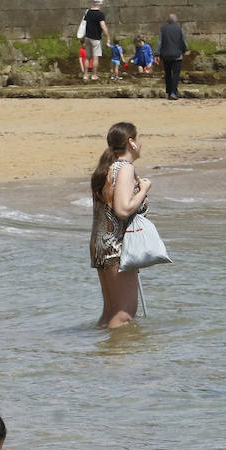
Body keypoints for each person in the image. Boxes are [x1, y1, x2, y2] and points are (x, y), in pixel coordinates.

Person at [89, 121, 151, 328]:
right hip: (117, 246)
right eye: (139, 139)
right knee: (124, 313)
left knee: (110, 312)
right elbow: (123, 209)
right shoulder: (124, 168)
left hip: (101, 245)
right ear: (131, 143)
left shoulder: (107, 168)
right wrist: (143, 190)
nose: (141, 144)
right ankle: (118, 358)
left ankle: (104, 354)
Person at [159, 14, 188, 100]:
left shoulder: (163, 29)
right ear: (176, 21)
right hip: (177, 55)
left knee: (167, 74)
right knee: (175, 75)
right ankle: (173, 93)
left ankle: (168, 92)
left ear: (168, 21)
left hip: (166, 55)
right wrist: (185, 50)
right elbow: (183, 41)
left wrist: (157, 53)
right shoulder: (179, 29)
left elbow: (160, 42)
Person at [79, 0, 108, 80]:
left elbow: (84, 24)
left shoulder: (88, 12)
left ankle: (85, 75)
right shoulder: (100, 14)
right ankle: (94, 75)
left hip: (87, 38)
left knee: (87, 57)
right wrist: (108, 37)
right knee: (95, 57)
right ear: (100, 4)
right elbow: (103, 26)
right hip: (96, 38)